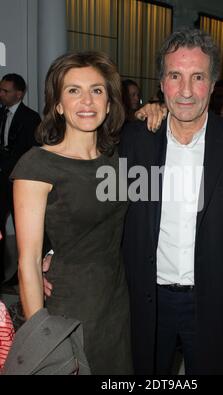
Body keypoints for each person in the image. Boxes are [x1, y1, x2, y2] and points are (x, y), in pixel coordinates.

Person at [120, 29, 223, 374]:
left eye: (198, 77)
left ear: (214, 83)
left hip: (218, 301)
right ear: (161, 82)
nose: (186, 91)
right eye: (175, 76)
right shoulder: (135, 141)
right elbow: (108, 214)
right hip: (147, 302)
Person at [10, 51, 132, 374]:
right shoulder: (36, 165)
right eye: (73, 91)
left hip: (116, 303)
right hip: (68, 310)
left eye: (97, 90)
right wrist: (44, 342)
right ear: (59, 105)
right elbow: (28, 263)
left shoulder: (116, 160)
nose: (87, 101)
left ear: (109, 102)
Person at [0, 74, 41, 282]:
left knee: (22, 228)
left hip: (19, 180)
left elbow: (32, 152)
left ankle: (22, 274)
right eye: (1, 90)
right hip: (1, 179)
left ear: (19, 93)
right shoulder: (1, 114)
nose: (1, 94)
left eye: (5, 91)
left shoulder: (31, 118)